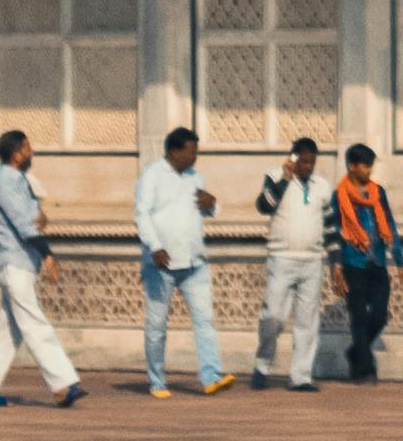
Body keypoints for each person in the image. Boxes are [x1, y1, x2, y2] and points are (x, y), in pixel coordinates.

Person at [0, 128, 82, 408]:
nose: (32, 152)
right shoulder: (4, 181)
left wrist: (40, 218)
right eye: (28, 148)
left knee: (8, 330)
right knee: (34, 323)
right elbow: (24, 223)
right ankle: (61, 384)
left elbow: (32, 217)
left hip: (21, 264)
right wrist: (47, 254)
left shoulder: (18, 180)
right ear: (16, 153)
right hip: (15, 263)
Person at [137, 126, 228, 397]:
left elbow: (207, 207)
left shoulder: (194, 176)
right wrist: (154, 246)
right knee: (157, 325)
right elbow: (141, 214)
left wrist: (212, 203)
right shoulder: (152, 176)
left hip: (194, 261)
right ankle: (157, 381)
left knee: (204, 320)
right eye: (191, 151)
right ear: (174, 151)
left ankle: (211, 377)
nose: (195, 157)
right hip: (161, 263)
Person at [250, 134, 332, 391]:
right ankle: (263, 364)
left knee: (307, 322)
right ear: (294, 159)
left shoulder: (322, 186)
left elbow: (330, 225)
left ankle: (301, 376)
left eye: (312, 162)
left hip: (312, 261)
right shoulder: (275, 177)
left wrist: (336, 262)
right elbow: (264, 206)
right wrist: (285, 179)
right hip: (281, 258)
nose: (308, 167)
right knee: (273, 315)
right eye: (304, 162)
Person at [331, 143, 403, 383]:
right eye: (365, 166)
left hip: (377, 262)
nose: (369, 171)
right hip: (353, 262)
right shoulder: (340, 196)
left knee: (379, 316)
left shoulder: (378, 192)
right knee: (359, 318)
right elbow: (334, 231)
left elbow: (390, 225)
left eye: (371, 166)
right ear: (352, 167)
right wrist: (336, 268)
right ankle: (365, 368)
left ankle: (355, 353)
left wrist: (400, 261)